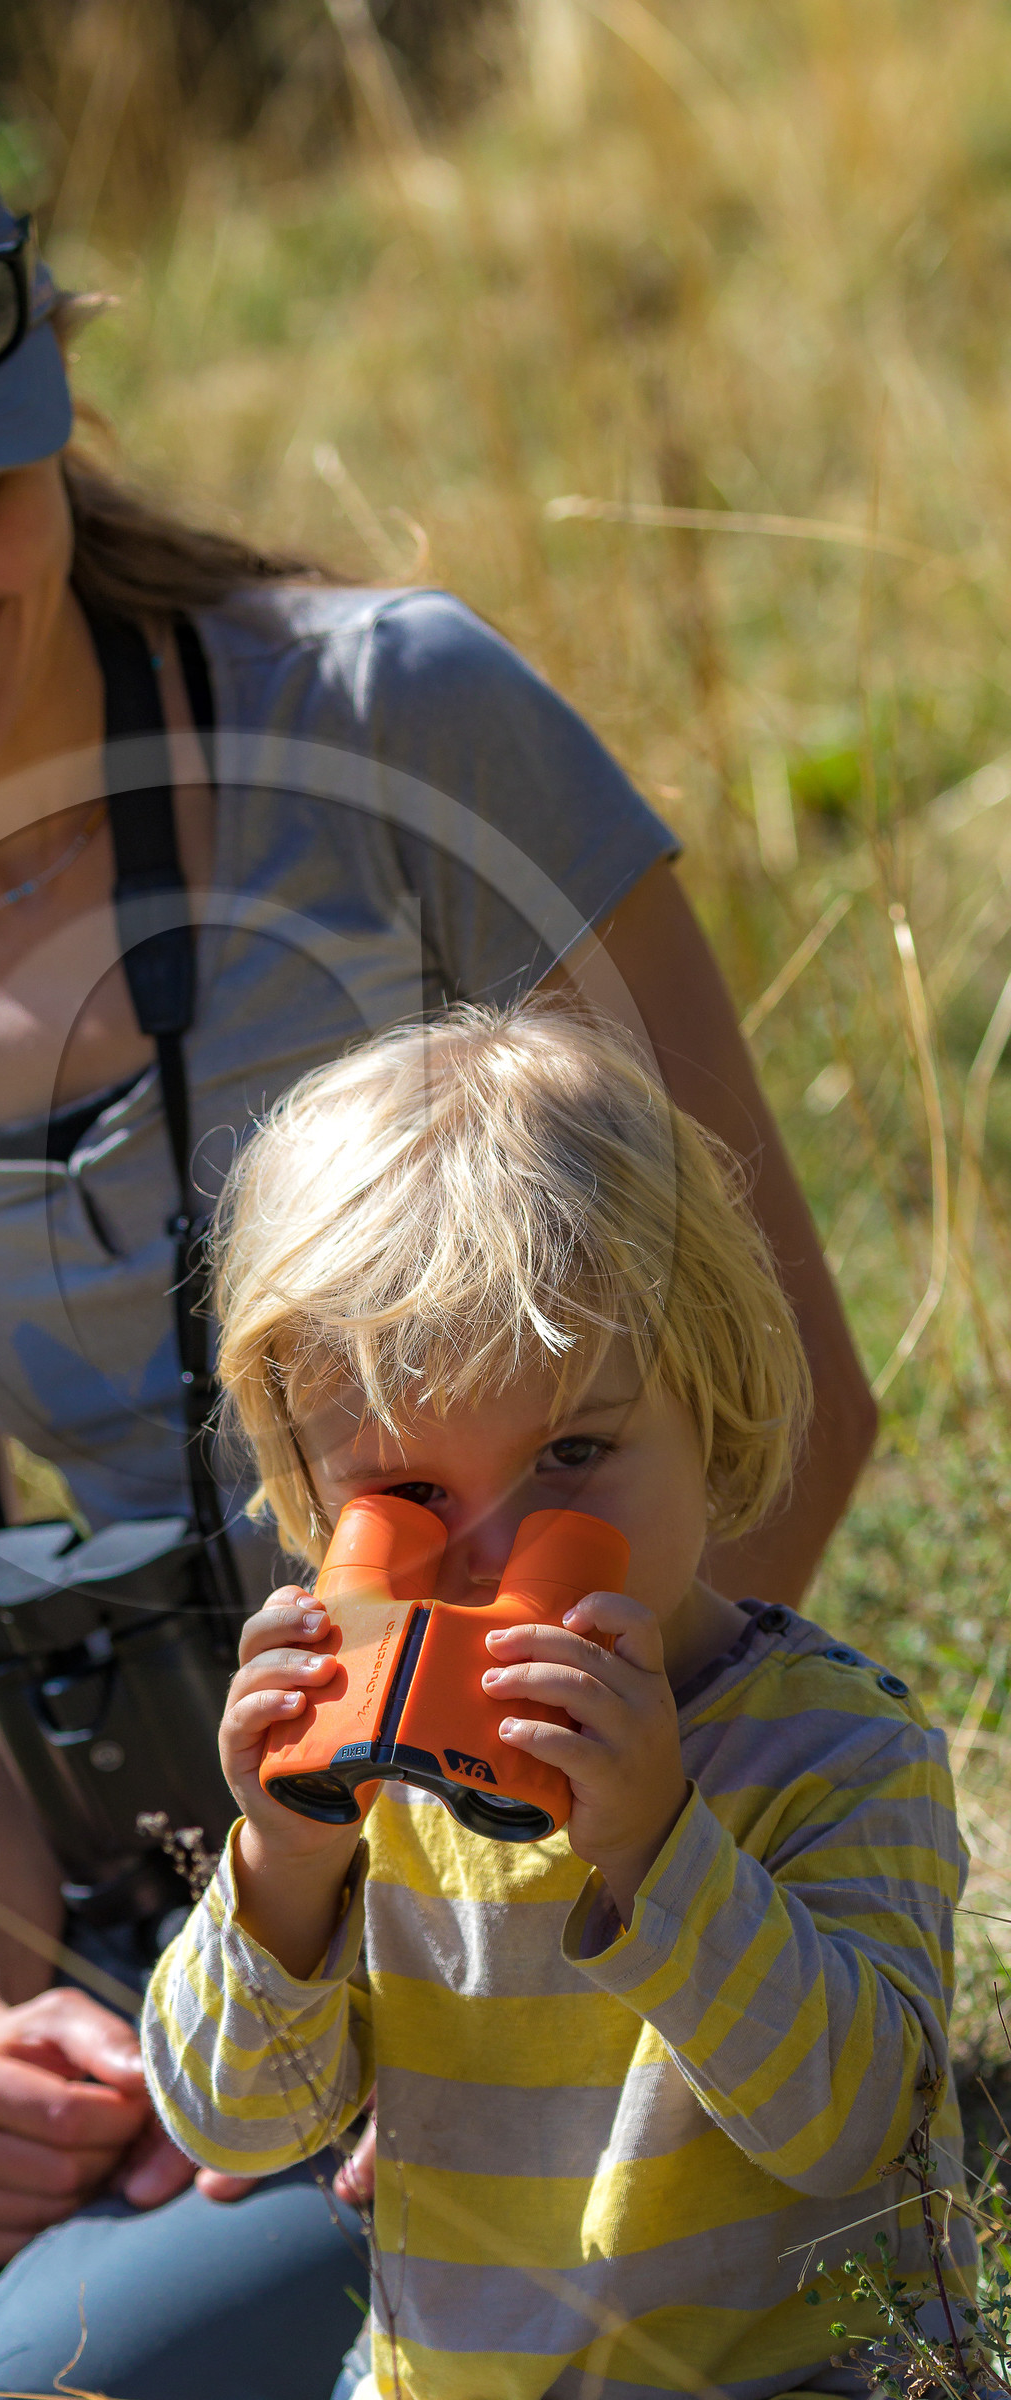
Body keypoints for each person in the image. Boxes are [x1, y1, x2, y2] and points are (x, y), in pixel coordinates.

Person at [0, 67, 877, 2400]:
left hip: (531, 1850)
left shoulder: (402, 725)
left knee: (23, 2391)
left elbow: (785, 1395)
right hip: (168, 1891)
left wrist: (500, 1931)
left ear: (59, 390)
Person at [143, 995, 971, 2400]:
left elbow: (848, 2128)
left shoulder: (833, 1752)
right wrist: (283, 1866)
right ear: (309, 1493)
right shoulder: (382, 1793)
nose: (491, 1552)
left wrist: (658, 1844)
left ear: (709, 1399)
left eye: (575, 1455)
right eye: (406, 1498)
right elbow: (237, 2122)